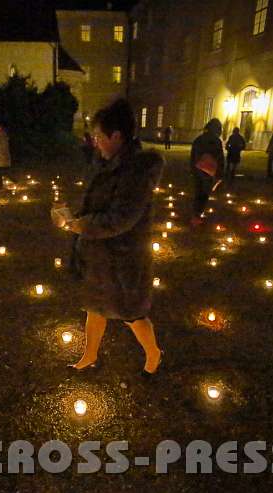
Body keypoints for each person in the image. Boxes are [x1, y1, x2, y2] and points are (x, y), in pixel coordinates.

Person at [51, 99, 165, 377]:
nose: (96, 142)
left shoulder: (136, 171)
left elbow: (121, 218)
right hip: (100, 255)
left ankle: (153, 354)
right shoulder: (107, 163)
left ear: (117, 136)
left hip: (123, 259)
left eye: (100, 136)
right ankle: (89, 355)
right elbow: (98, 205)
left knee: (132, 315)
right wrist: (72, 216)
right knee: (95, 308)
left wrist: (80, 226)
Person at [190, 118, 224, 226]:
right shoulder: (216, 141)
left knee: (199, 192)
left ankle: (196, 214)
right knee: (204, 193)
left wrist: (193, 168)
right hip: (208, 171)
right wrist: (220, 171)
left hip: (198, 169)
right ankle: (198, 214)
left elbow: (193, 155)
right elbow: (220, 157)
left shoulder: (199, 139)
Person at [0, 122, 14, 191]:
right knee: (1, 173)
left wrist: (0, 156)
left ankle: (14, 181)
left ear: (0, 128)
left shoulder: (3, 136)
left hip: (4, 157)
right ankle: (0, 187)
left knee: (2, 172)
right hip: (0, 158)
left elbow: (4, 147)